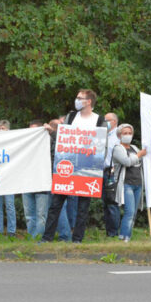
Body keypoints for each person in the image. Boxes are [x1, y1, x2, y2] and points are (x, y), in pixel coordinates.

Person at [41, 89, 106, 243]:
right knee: (56, 204)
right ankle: (47, 238)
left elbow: (102, 144)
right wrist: (52, 132)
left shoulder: (99, 120)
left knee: (83, 208)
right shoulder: (71, 116)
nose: (76, 100)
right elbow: (64, 138)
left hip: (88, 168)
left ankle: (77, 239)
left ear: (89, 101)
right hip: (67, 167)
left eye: (79, 98)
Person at [110, 124, 147, 242]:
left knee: (134, 213)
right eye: (124, 133)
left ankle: (126, 236)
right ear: (119, 135)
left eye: (129, 133)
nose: (127, 135)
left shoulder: (135, 148)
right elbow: (126, 162)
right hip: (126, 184)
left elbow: (142, 163)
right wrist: (139, 155)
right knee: (129, 212)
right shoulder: (117, 148)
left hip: (138, 184)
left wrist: (140, 154)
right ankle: (124, 237)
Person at [21, 119, 51, 238]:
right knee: (29, 215)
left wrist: (50, 132)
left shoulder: (47, 143)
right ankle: (31, 238)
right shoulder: (23, 146)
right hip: (26, 183)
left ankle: (39, 238)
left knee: (41, 215)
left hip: (41, 184)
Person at [103, 112, 121, 237]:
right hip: (103, 171)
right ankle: (108, 232)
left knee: (112, 202)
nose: (105, 122)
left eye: (107, 120)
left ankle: (114, 233)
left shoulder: (118, 136)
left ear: (114, 121)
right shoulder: (104, 135)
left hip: (112, 171)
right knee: (105, 202)